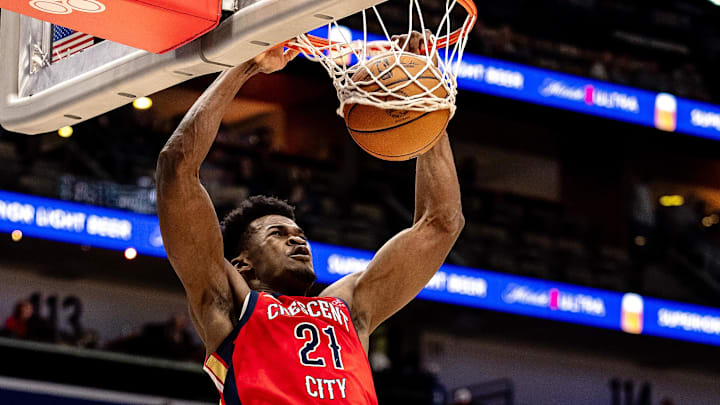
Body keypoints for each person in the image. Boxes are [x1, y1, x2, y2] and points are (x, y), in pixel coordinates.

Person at [156, 31, 464, 404]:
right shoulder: (230, 302)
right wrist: (247, 64)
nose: (297, 239)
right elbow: (176, 169)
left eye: (298, 232)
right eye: (278, 234)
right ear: (243, 265)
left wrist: (425, 104)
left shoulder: (348, 305)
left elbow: (442, 222)